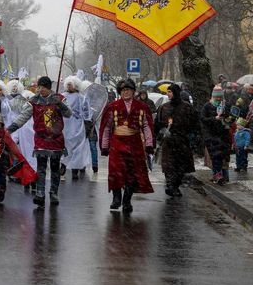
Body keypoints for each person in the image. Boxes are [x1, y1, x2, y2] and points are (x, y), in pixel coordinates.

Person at [7, 76, 72, 207]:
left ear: (48, 87)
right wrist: (10, 129)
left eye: (42, 87)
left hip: (56, 139)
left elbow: (69, 114)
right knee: (41, 168)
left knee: (55, 168)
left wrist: (59, 103)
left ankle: (53, 192)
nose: (39, 89)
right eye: (39, 87)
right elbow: (23, 116)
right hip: (41, 138)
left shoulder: (60, 98)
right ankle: (40, 193)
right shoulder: (34, 101)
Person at [100, 78, 154, 213]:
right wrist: (104, 146)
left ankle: (127, 201)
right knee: (116, 171)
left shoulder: (142, 107)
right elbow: (107, 127)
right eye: (123, 90)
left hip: (135, 143)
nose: (126, 92)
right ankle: (116, 198)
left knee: (132, 173)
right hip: (117, 143)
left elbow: (147, 126)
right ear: (120, 92)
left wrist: (149, 144)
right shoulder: (112, 106)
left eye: (128, 89)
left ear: (133, 91)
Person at [0, 112, 37, 206]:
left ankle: (1, 192)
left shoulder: (5, 136)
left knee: (2, 180)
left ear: (2, 124)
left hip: (3, 163)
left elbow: (12, 149)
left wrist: (15, 160)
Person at [154, 84, 199, 197]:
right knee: (168, 165)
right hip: (168, 141)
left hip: (182, 141)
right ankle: (170, 185)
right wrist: (161, 132)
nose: (168, 94)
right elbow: (157, 124)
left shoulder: (187, 107)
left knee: (181, 166)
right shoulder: (164, 107)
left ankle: (175, 186)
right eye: (167, 92)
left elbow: (194, 123)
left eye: (170, 92)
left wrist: (192, 136)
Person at [60, 76, 92, 180]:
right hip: (65, 125)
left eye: (71, 84)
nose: (69, 86)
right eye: (68, 84)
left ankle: (75, 169)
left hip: (78, 125)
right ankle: (63, 165)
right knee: (65, 145)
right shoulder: (62, 97)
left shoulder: (81, 98)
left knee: (77, 148)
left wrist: (88, 124)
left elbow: (87, 112)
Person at [200, 86, 231, 185]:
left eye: (220, 97)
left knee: (224, 156)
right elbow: (203, 119)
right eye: (216, 97)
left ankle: (223, 175)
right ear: (213, 96)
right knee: (215, 155)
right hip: (211, 135)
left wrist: (228, 119)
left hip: (224, 134)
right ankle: (218, 174)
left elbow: (232, 117)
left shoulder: (226, 105)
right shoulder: (207, 106)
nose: (218, 99)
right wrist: (214, 118)